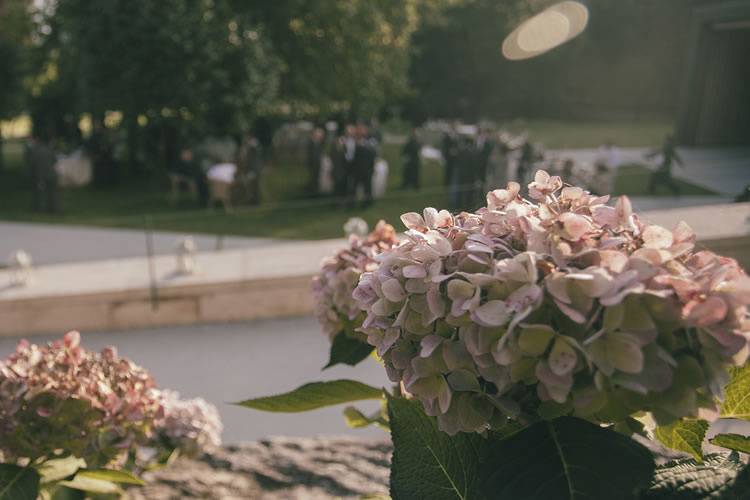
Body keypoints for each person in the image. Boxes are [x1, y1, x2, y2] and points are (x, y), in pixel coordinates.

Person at [27, 130, 59, 213]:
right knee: (52, 193)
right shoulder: (49, 149)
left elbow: (32, 165)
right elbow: (55, 161)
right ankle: (53, 209)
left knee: (40, 194)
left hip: (41, 176)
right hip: (52, 174)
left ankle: (40, 209)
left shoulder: (35, 151)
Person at [350, 124, 376, 208]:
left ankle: (367, 203)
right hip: (357, 170)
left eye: (363, 131)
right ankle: (353, 203)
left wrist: (371, 168)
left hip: (367, 169)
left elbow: (372, 156)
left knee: (367, 188)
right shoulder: (353, 143)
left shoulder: (370, 142)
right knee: (354, 188)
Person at [87, 120, 117, 188]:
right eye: (96, 125)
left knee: (107, 167)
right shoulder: (93, 137)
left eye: (99, 125)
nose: (98, 127)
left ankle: (107, 183)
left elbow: (108, 146)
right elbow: (91, 147)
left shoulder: (104, 135)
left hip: (105, 156)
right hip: (97, 156)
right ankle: (99, 184)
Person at [236, 131, 263, 204]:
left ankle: (252, 200)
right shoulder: (245, 146)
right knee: (247, 184)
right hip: (247, 170)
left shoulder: (253, 144)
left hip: (254, 169)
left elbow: (252, 152)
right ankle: (248, 199)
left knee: (252, 184)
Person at [306, 128, 325, 196]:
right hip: (313, 165)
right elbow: (311, 155)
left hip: (317, 165)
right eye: (320, 135)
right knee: (313, 180)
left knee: (316, 181)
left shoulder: (319, 144)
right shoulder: (311, 143)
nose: (322, 137)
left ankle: (315, 194)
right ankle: (312, 194)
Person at [441, 122, 459, 187]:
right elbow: (444, 147)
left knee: (453, 170)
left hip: (455, 157)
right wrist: (448, 152)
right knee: (448, 170)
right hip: (448, 157)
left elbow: (457, 145)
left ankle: (451, 182)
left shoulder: (456, 136)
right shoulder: (447, 137)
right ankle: (446, 183)